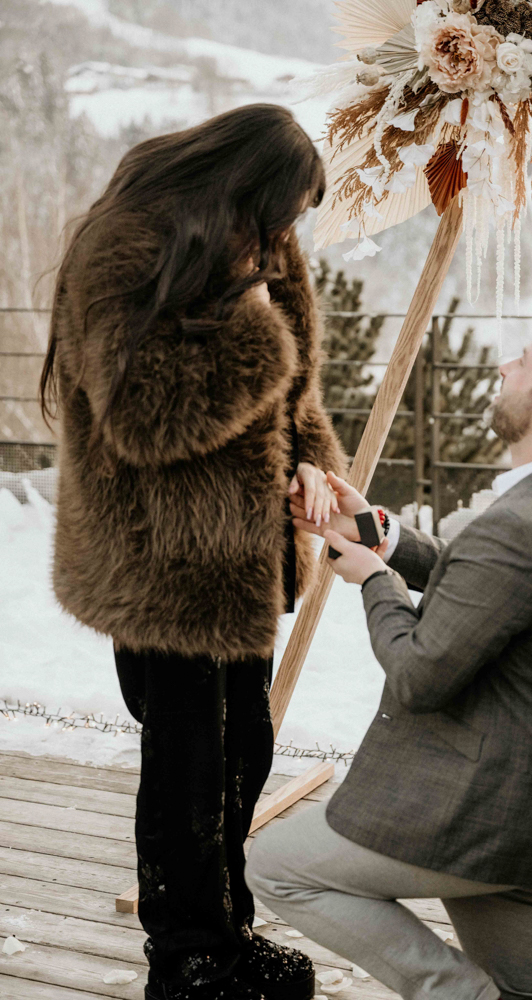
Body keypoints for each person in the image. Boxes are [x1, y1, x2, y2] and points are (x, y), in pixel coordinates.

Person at [246, 317, 532, 1000]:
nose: (504, 367)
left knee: (276, 867)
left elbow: (418, 674)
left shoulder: (519, 524)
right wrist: (378, 534)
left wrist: (372, 579)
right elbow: (489, 581)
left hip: (489, 816)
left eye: (522, 362)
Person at [40, 104, 347, 1000]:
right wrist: (256, 328)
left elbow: (292, 393)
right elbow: (146, 416)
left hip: (242, 556)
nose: (286, 235)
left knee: (243, 746)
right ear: (241, 183)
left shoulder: (255, 247)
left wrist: (313, 463)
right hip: (160, 560)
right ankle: (188, 960)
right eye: (282, 214)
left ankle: (227, 930)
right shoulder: (126, 245)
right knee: (186, 766)